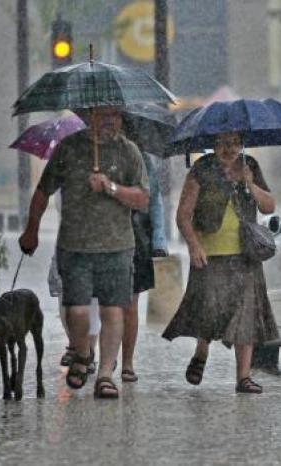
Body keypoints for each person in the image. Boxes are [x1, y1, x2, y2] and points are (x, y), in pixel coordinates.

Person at [19, 106, 149, 399]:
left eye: (115, 116)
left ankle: (105, 375)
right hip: (74, 246)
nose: (110, 121)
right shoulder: (69, 149)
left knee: (112, 310)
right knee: (76, 310)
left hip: (117, 246)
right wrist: (31, 230)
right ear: (90, 117)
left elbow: (142, 199)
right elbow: (43, 191)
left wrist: (111, 187)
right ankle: (81, 353)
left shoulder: (129, 152)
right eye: (103, 115)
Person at [162, 131, 278, 394]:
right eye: (224, 143)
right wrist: (194, 245)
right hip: (210, 253)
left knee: (245, 315)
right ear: (213, 144)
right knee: (210, 311)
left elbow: (269, 206)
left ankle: (243, 378)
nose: (230, 149)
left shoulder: (250, 166)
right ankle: (201, 352)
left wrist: (251, 184)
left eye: (235, 143)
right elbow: (183, 215)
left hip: (246, 254)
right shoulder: (202, 169)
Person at [120, 151, 167, 383]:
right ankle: (100, 356)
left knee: (130, 304)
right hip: (104, 236)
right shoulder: (93, 156)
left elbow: (155, 200)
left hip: (137, 237)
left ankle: (127, 362)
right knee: (107, 306)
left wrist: (159, 239)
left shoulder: (142, 159)